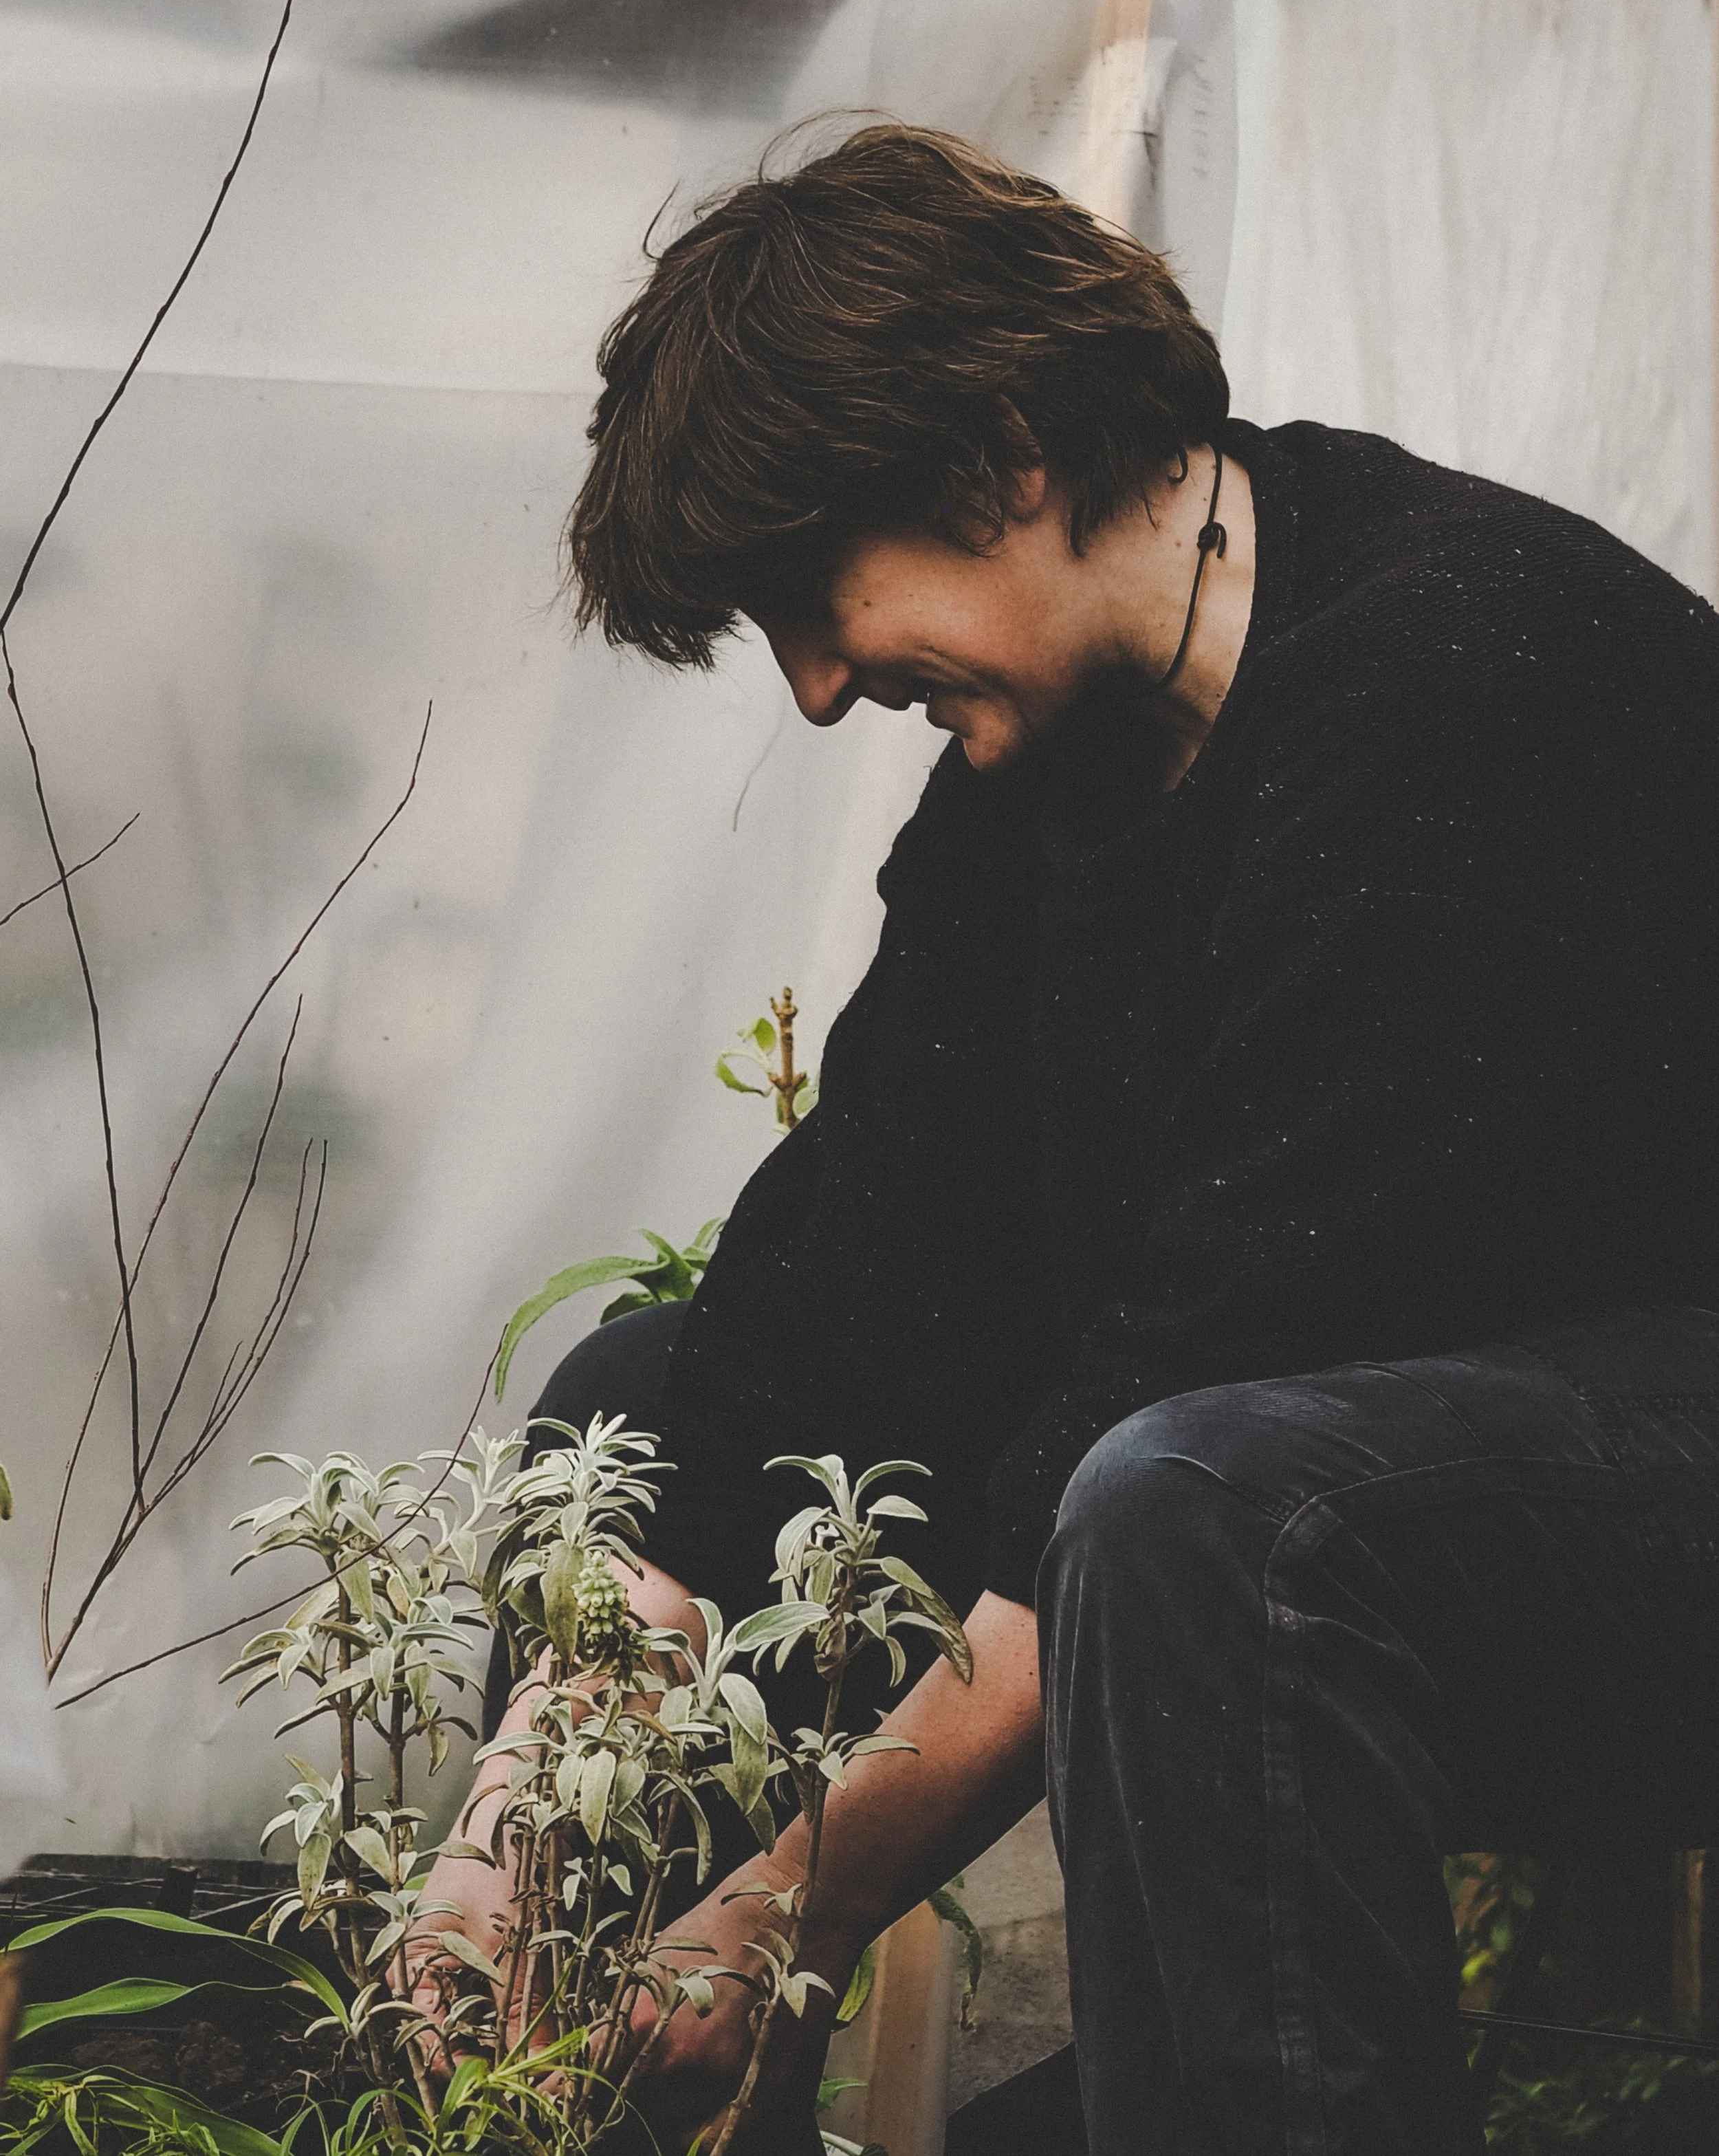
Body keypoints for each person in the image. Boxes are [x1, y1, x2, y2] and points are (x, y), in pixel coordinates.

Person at [421, 124, 1719, 2155]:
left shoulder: (1455, 679)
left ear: (1001, 455)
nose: (825, 684)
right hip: (1360, 1485)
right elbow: (850, 1262)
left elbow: (1187, 1377)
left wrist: (772, 1913)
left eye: (811, 594)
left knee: (1192, 1502)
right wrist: (521, 1800)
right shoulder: (1058, 777)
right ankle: (578, 2091)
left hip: (1644, 1506)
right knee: (649, 1393)